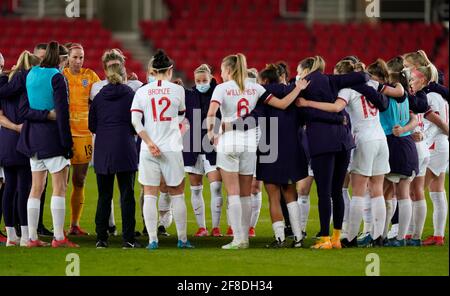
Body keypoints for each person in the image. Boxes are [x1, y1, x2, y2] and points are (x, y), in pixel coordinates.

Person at [206, 53, 309, 249]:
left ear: (228, 70)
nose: (221, 73)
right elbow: (283, 104)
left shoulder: (221, 88)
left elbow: (212, 113)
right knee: (246, 194)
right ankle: (245, 236)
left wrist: (211, 135)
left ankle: (239, 239)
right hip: (249, 146)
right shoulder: (256, 88)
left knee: (233, 193)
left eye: (221, 70)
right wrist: (297, 88)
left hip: (229, 143)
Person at [294, 56, 368, 249]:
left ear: (307, 70)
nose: (298, 75)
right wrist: (337, 118)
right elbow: (364, 77)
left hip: (322, 143)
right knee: (337, 191)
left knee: (324, 193)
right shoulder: (332, 79)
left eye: (299, 71)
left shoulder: (303, 88)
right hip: (344, 142)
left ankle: (325, 238)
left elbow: (306, 114)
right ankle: (336, 238)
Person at [131, 49, 193, 250]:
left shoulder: (142, 91)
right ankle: (182, 240)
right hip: (172, 147)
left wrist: (148, 142)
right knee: (177, 193)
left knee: (150, 193)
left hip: (149, 148)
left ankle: (152, 240)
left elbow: (135, 120)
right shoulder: (178, 90)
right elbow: (182, 116)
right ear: (170, 70)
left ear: (151, 70)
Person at [18, 41, 77, 248]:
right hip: (53, 139)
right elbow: (62, 114)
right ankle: (59, 237)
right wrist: (67, 143)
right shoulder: (57, 77)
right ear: (61, 59)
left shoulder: (31, 73)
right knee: (59, 188)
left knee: (36, 188)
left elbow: (23, 110)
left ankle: (32, 238)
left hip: (33, 139)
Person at [89, 48, 143, 236]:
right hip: (125, 147)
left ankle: (101, 238)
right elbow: (137, 121)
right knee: (127, 195)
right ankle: (128, 238)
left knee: (104, 196)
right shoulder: (132, 92)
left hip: (103, 149)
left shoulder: (98, 94)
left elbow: (92, 125)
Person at [63, 43, 100, 236]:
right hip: (64, 134)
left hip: (84, 134)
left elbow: (101, 98)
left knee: (80, 180)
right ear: (68, 58)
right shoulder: (61, 76)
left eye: (81, 57)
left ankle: (74, 224)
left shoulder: (90, 76)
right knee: (62, 182)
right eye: (75, 57)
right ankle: (58, 225)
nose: (78, 61)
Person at [183, 64, 224, 237]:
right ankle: (202, 227)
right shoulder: (188, 95)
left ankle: (215, 227)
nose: (201, 83)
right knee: (195, 188)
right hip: (191, 145)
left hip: (212, 145)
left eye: (204, 80)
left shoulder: (218, 92)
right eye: (198, 80)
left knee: (216, 186)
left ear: (210, 78)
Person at [410, 67, 449, 247]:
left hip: (435, 146)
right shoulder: (443, 99)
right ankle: (438, 236)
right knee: (437, 190)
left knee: (415, 191)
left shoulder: (432, 97)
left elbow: (436, 124)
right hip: (441, 145)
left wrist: (424, 138)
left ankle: (410, 233)